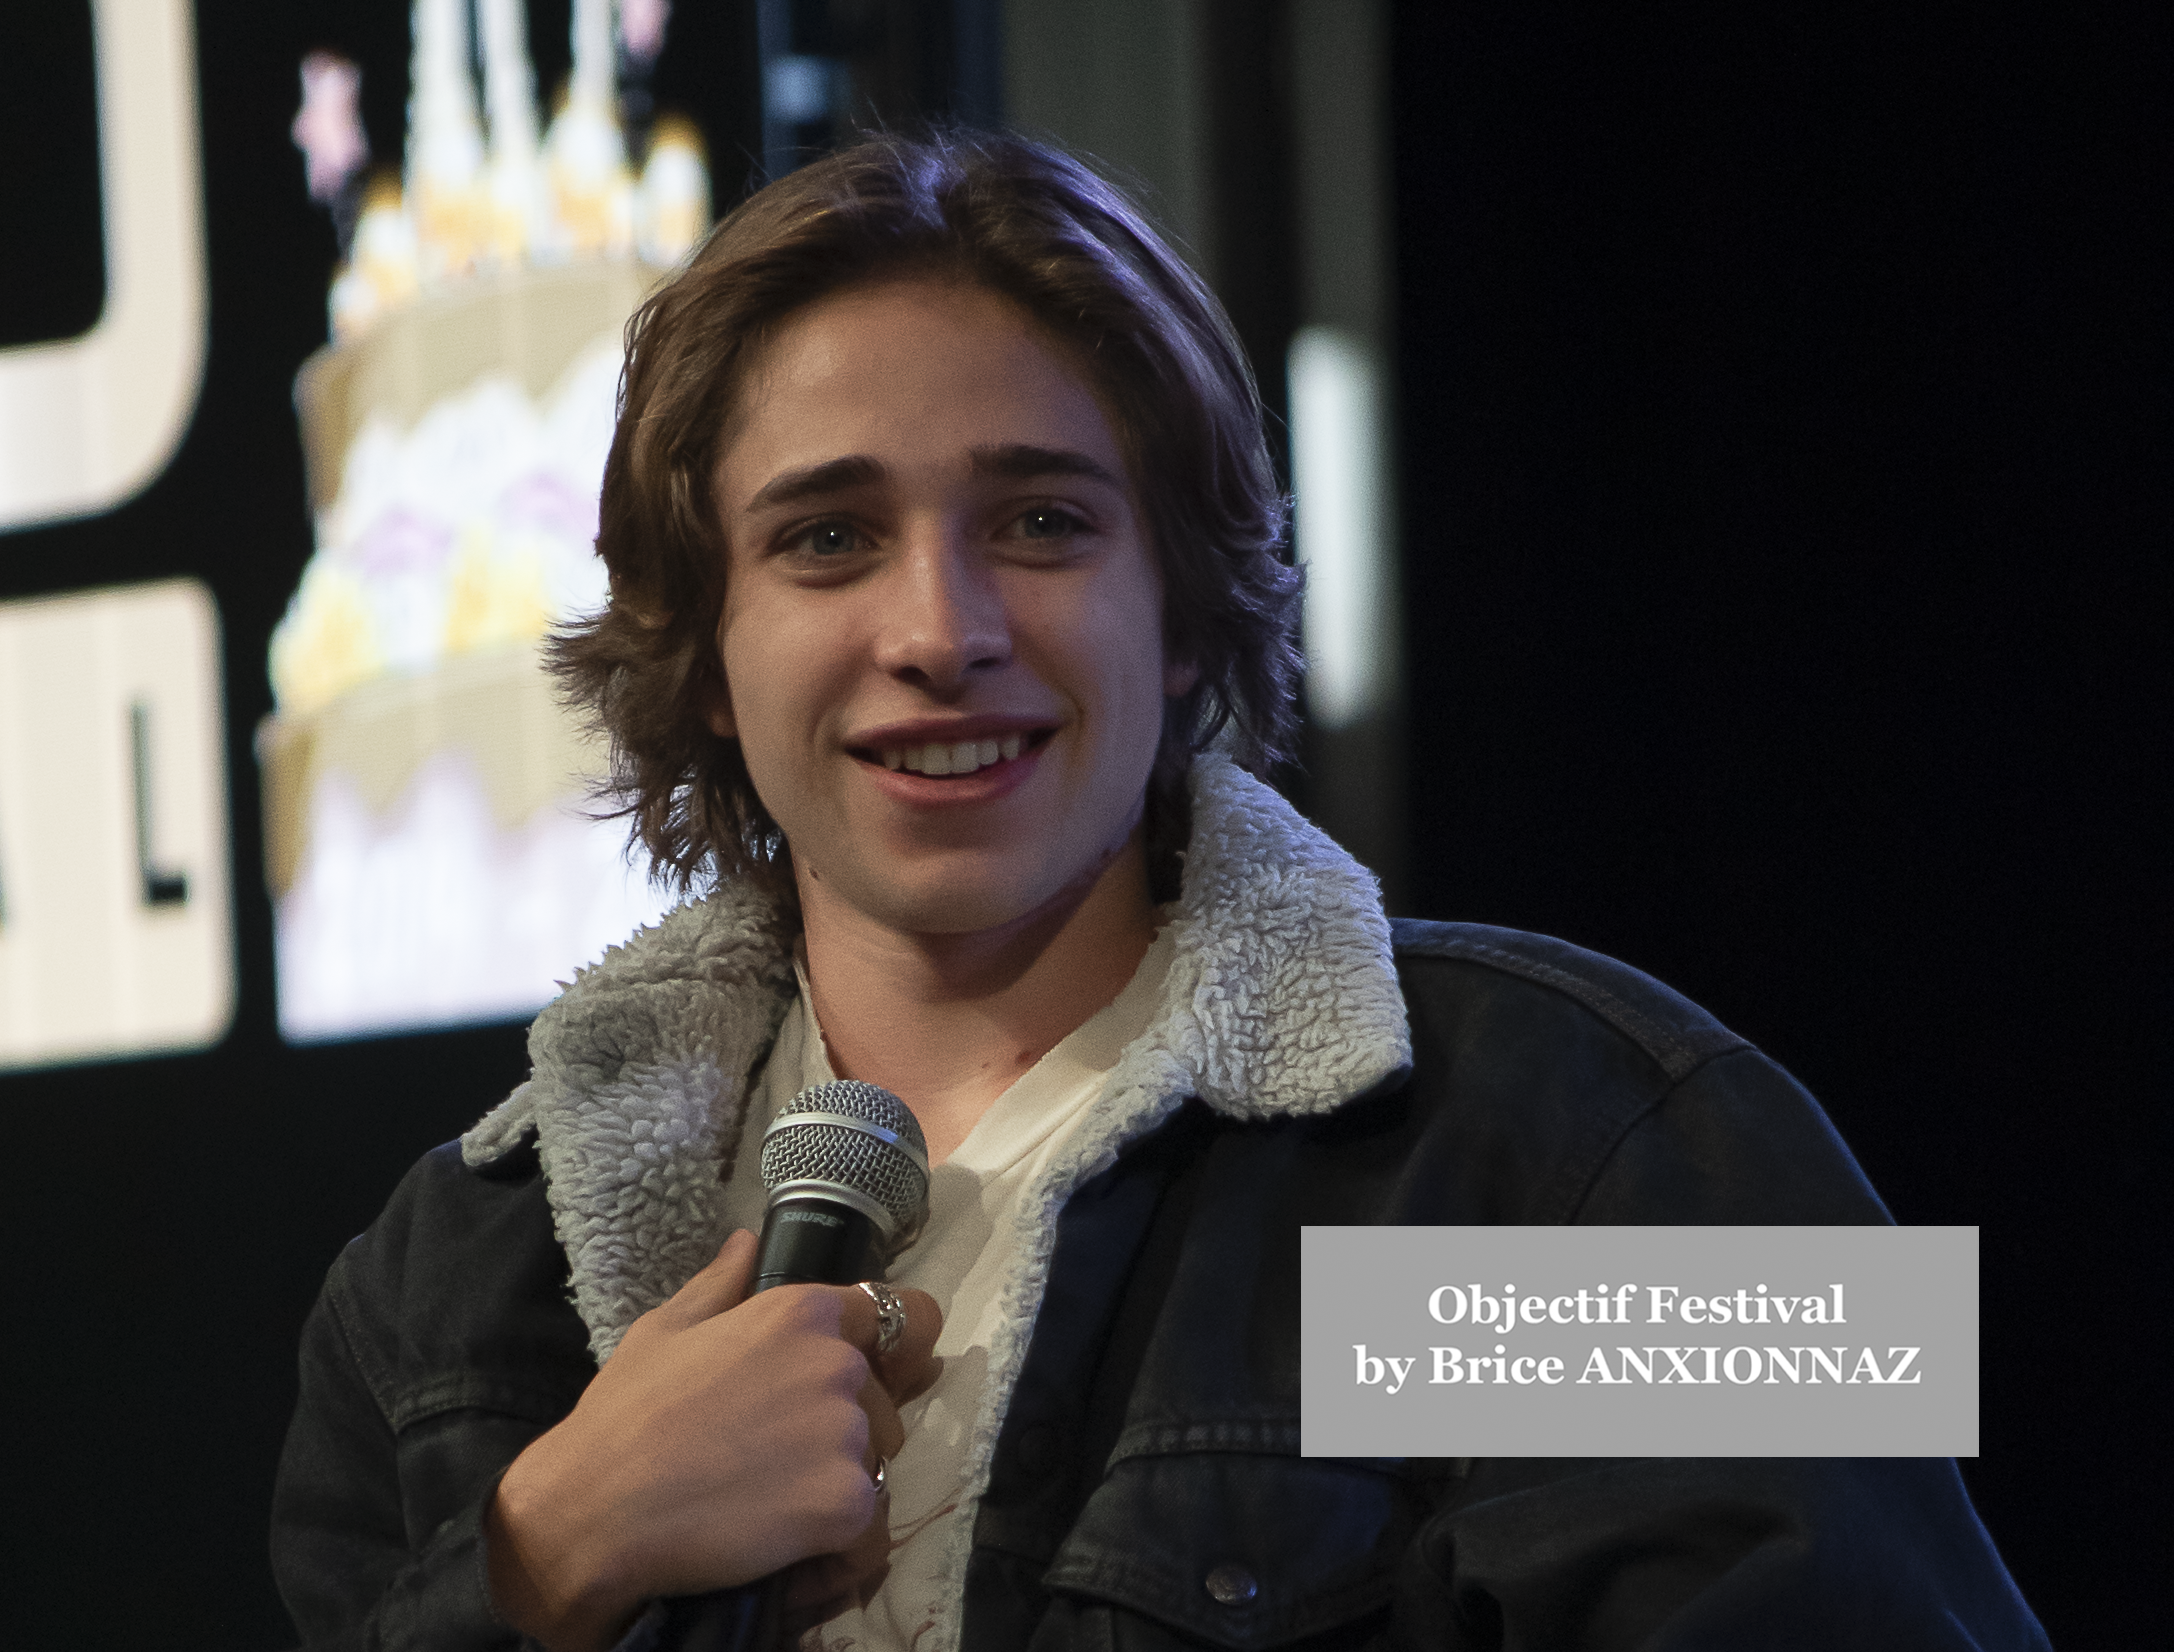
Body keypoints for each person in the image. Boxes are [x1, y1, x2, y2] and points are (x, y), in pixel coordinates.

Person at [271, 130, 2046, 1652]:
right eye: (825, 537)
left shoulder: (1578, 1141)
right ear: (701, 647)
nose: (940, 630)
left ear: (1184, 603)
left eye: (1042, 522)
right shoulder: (446, 1292)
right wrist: (537, 1570)